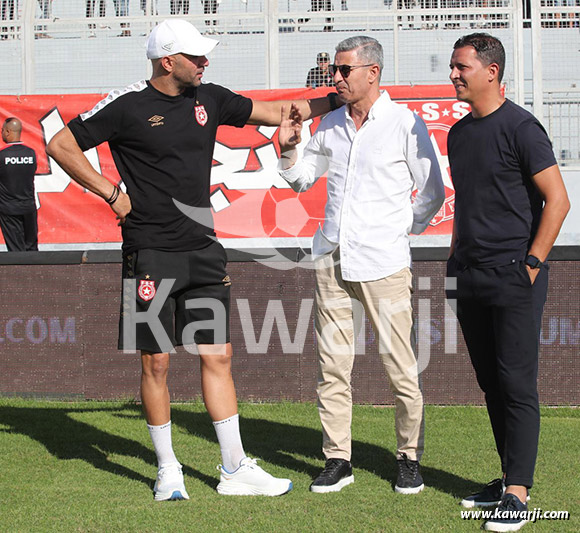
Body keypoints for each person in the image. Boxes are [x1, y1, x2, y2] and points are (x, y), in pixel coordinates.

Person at [46, 18, 340, 501]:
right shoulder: (127, 105)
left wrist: (337, 98)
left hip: (203, 249)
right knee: (157, 363)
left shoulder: (212, 98)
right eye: (197, 55)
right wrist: (112, 193)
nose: (206, 61)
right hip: (150, 253)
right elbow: (61, 144)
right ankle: (168, 469)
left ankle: (234, 467)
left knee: (219, 354)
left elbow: (276, 112)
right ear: (168, 61)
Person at [277, 36, 445, 495]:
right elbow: (299, 180)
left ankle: (409, 459)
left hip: (384, 262)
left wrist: (396, 230)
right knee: (331, 367)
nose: (335, 78)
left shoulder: (405, 124)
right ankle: (338, 459)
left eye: (344, 70)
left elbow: (433, 193)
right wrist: (288, 148)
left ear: (372, 72)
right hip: (331, 256)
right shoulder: (330, 124)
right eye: (335, 69)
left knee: (400, 368)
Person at [446, 33, 570, 531]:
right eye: (453, 67)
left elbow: (557, 201)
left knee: (517, 381)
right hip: (469, 274)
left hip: (515, 275)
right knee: (490, 381)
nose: (453, 74)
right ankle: (506, 477)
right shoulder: (458, 133)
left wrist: (532, 264)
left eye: (461, 67)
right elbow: (470, 202)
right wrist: (455, 259)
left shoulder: (522, 127)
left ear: (490, 71)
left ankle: (518, 493)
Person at [0, 118, 38, 252]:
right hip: (29, 207)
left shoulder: (2, 155)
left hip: (9, 210)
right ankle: (36, 273)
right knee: (32, 248)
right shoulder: (31, 153)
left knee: (16, 252)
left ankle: (21, 274)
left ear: (8, 132)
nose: (2, 133)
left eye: (2, 130)